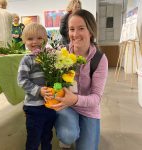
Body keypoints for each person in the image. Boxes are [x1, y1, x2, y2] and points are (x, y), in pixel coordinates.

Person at [45, 9, 108, 150]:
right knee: (68, 135)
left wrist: (75, 99)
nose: (75, 34)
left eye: (81, 28)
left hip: (89, 109)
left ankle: (81, 129)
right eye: (71, 29)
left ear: (90, 31)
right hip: (66, 106)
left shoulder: (99, 59)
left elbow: (96, 98)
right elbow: (55, 82)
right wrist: (55, 91)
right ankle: (66, 134)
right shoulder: (61, 53)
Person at [17, 23, 57, 150]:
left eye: (39, 38)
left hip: (49, 106)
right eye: (30, 39)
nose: (35, 42)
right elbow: (21, 80)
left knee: (47, 137)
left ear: (45, 39)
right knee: (33, 139)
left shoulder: (50, 57)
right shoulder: (27, 59)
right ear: (24, 41)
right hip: (34, 108)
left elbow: (56, 76)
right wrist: (38, 90)